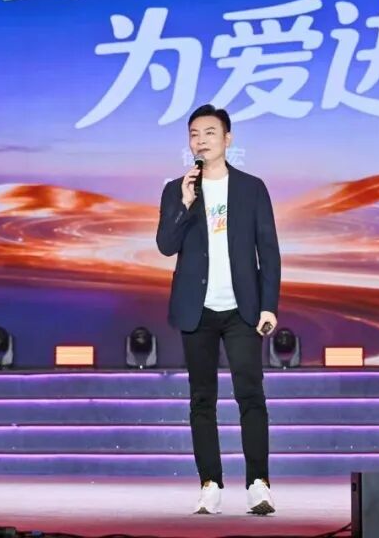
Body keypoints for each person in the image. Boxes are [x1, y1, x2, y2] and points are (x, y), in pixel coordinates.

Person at [155, 103, 281, 516]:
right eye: (194, 134)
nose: (201, 141)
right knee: (202, 399)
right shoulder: (177, 189)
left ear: (228, 139)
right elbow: (166, 245)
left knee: (251, 395)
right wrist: (185, 203)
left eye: (209, 133)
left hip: (243, 309)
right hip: (198, 308)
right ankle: (209, 483)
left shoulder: (251, 188)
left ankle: (258, 484)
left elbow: (269, 251)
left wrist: (268, 306)